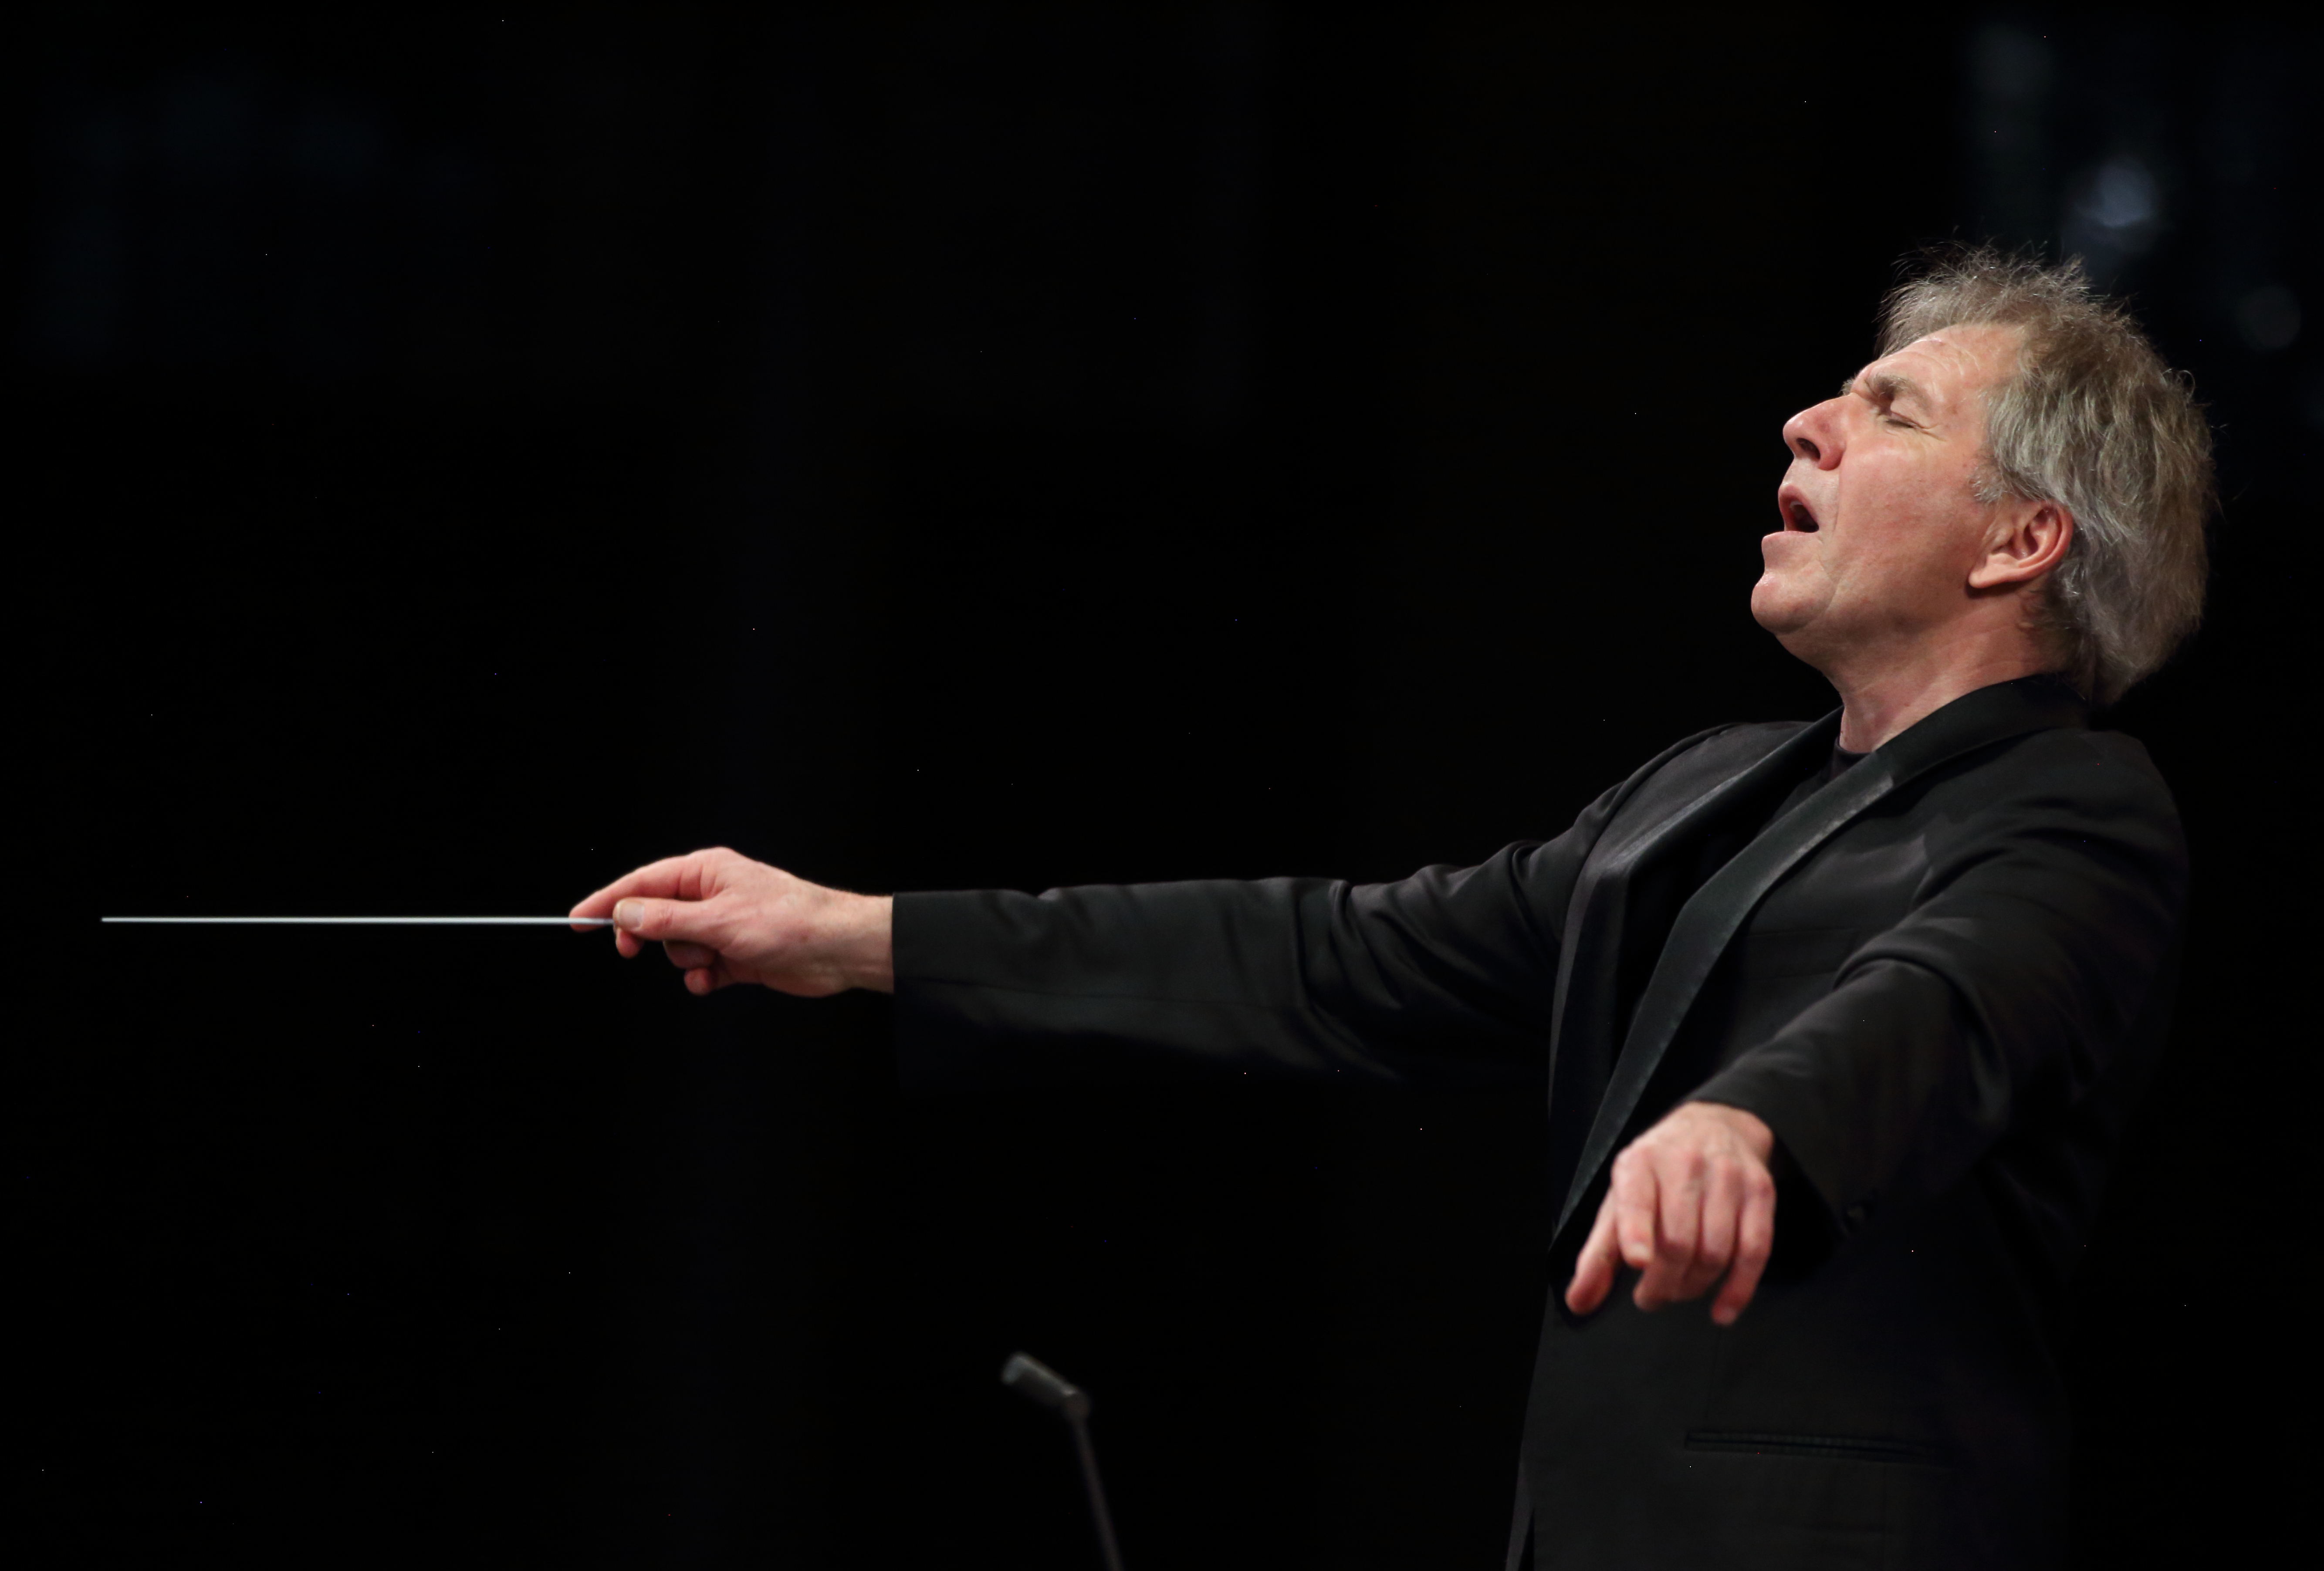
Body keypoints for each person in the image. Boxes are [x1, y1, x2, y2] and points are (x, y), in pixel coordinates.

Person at [571, 248, 2213, 1569]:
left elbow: (1942, 1002)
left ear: (2023, 540)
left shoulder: (2071, 806)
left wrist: (1750, 1129)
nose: (1806, 423)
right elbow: (1329, 952)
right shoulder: (1702, 793)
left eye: (1891, 411)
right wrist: (851, 933)